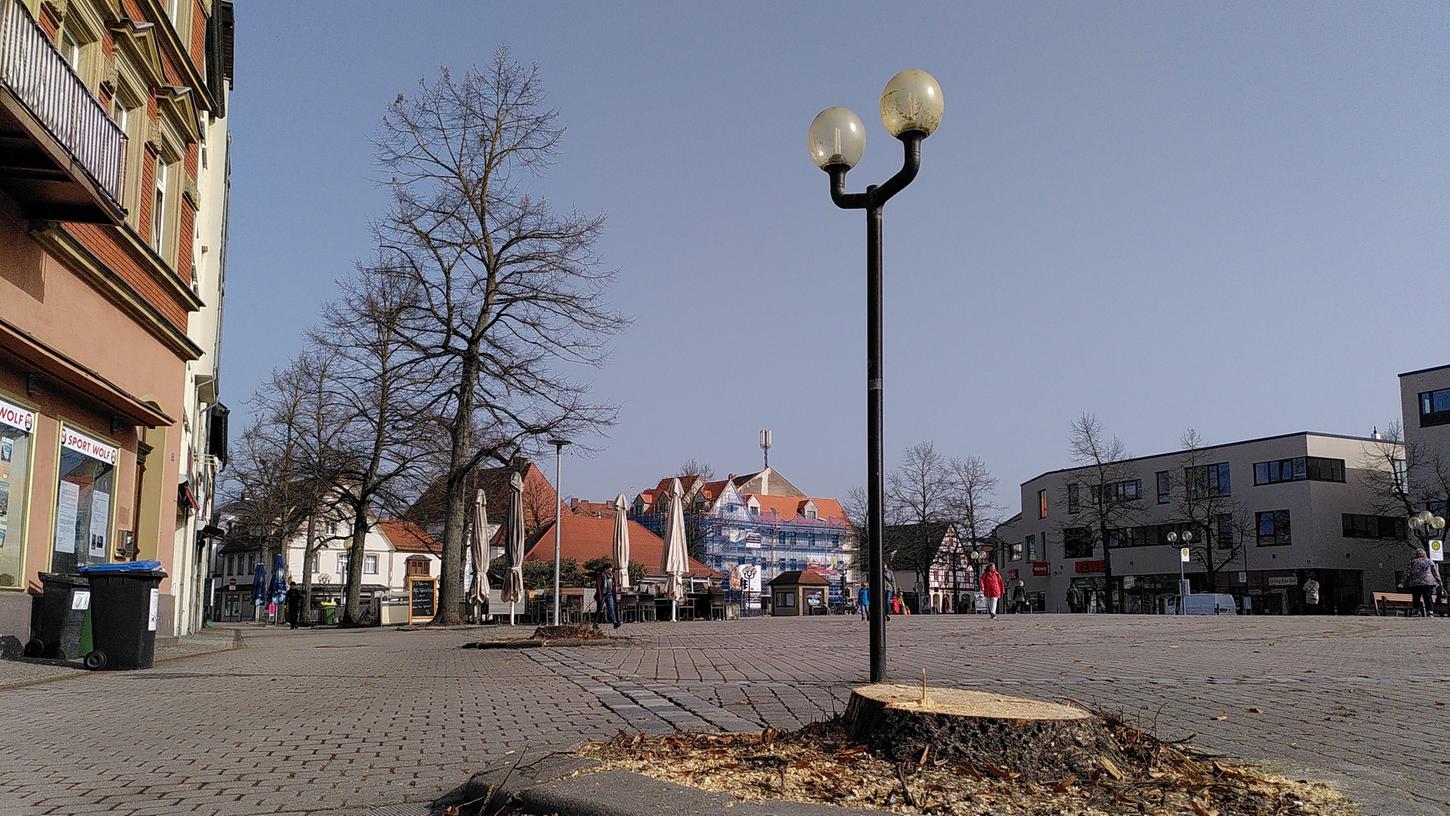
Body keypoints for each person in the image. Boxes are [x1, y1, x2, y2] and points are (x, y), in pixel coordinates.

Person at [1405, 549, 1441, 618]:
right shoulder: (1429, 561)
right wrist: (1439, 581)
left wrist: (1403, 581)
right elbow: (1435, 572)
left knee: (1416, 597)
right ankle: (1430, 611)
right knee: (1428, 597)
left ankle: (1416, 611)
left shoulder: (1413, 562)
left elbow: (1407, 572)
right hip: (1428, 582)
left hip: (1416, 582)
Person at [594, 564, 621, 629]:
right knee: (599, 609)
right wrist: (600, 595)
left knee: (611, 607)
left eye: (611, 570)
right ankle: (595, 623)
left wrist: (614, 594)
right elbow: (598, 586)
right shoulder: (601, 576)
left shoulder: (612, 576)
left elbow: (613, 586)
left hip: (609, 594)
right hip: (602, 594)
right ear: (605, 569)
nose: (610, 571)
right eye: (609, 570)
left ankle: (615, 622)